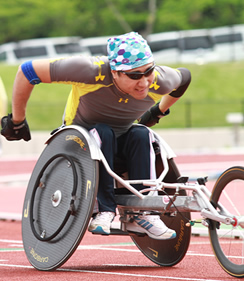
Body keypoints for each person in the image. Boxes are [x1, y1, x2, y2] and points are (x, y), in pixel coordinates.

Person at [1, 32, 191, 240]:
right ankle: (104, 210)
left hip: (121, 140)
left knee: (141, 133)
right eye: (134, 75)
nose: (144, 83)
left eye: (148, 72)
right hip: (79, 141)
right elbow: (27, 71)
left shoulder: (160, 80)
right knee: (103, 131)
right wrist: (17, 121)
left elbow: (185, 77)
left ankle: (142, 213)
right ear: (115, 72)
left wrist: (157, 111)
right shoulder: (91, 71)